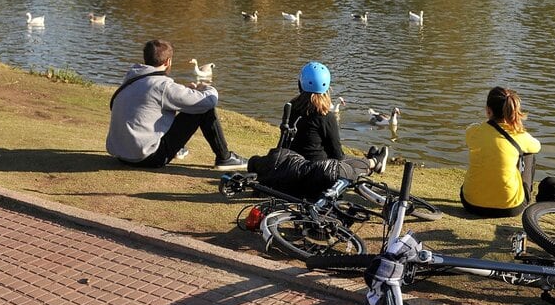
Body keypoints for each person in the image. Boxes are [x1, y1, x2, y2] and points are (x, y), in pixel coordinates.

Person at [246, 61, 388, 199]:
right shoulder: (326, 117)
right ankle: (373, 163)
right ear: (327, 88)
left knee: (256, 161)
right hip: (316, 172)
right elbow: (337, 155)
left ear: (300, 84)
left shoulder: (290, 107)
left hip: (288, 165)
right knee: (345, 166)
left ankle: (372, 161)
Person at [106, 39, 247, 171]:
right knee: (203, 107)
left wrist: (185, 91)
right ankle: (225, 158)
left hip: (121, 155)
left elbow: (155, 99)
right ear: (168, 61)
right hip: (147, 158)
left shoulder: (132, 78)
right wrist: (204, 87)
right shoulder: (163, 86)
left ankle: (178, 149)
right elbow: (209, 100)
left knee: (175, 105)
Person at [460, 86, 542, 217]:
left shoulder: (474, 131)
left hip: (471, 204)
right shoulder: (519, 135)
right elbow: (537, 146)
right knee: (528, 153)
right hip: (509, 207)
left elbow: (472, 132)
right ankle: (525, 193)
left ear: (488, 110)